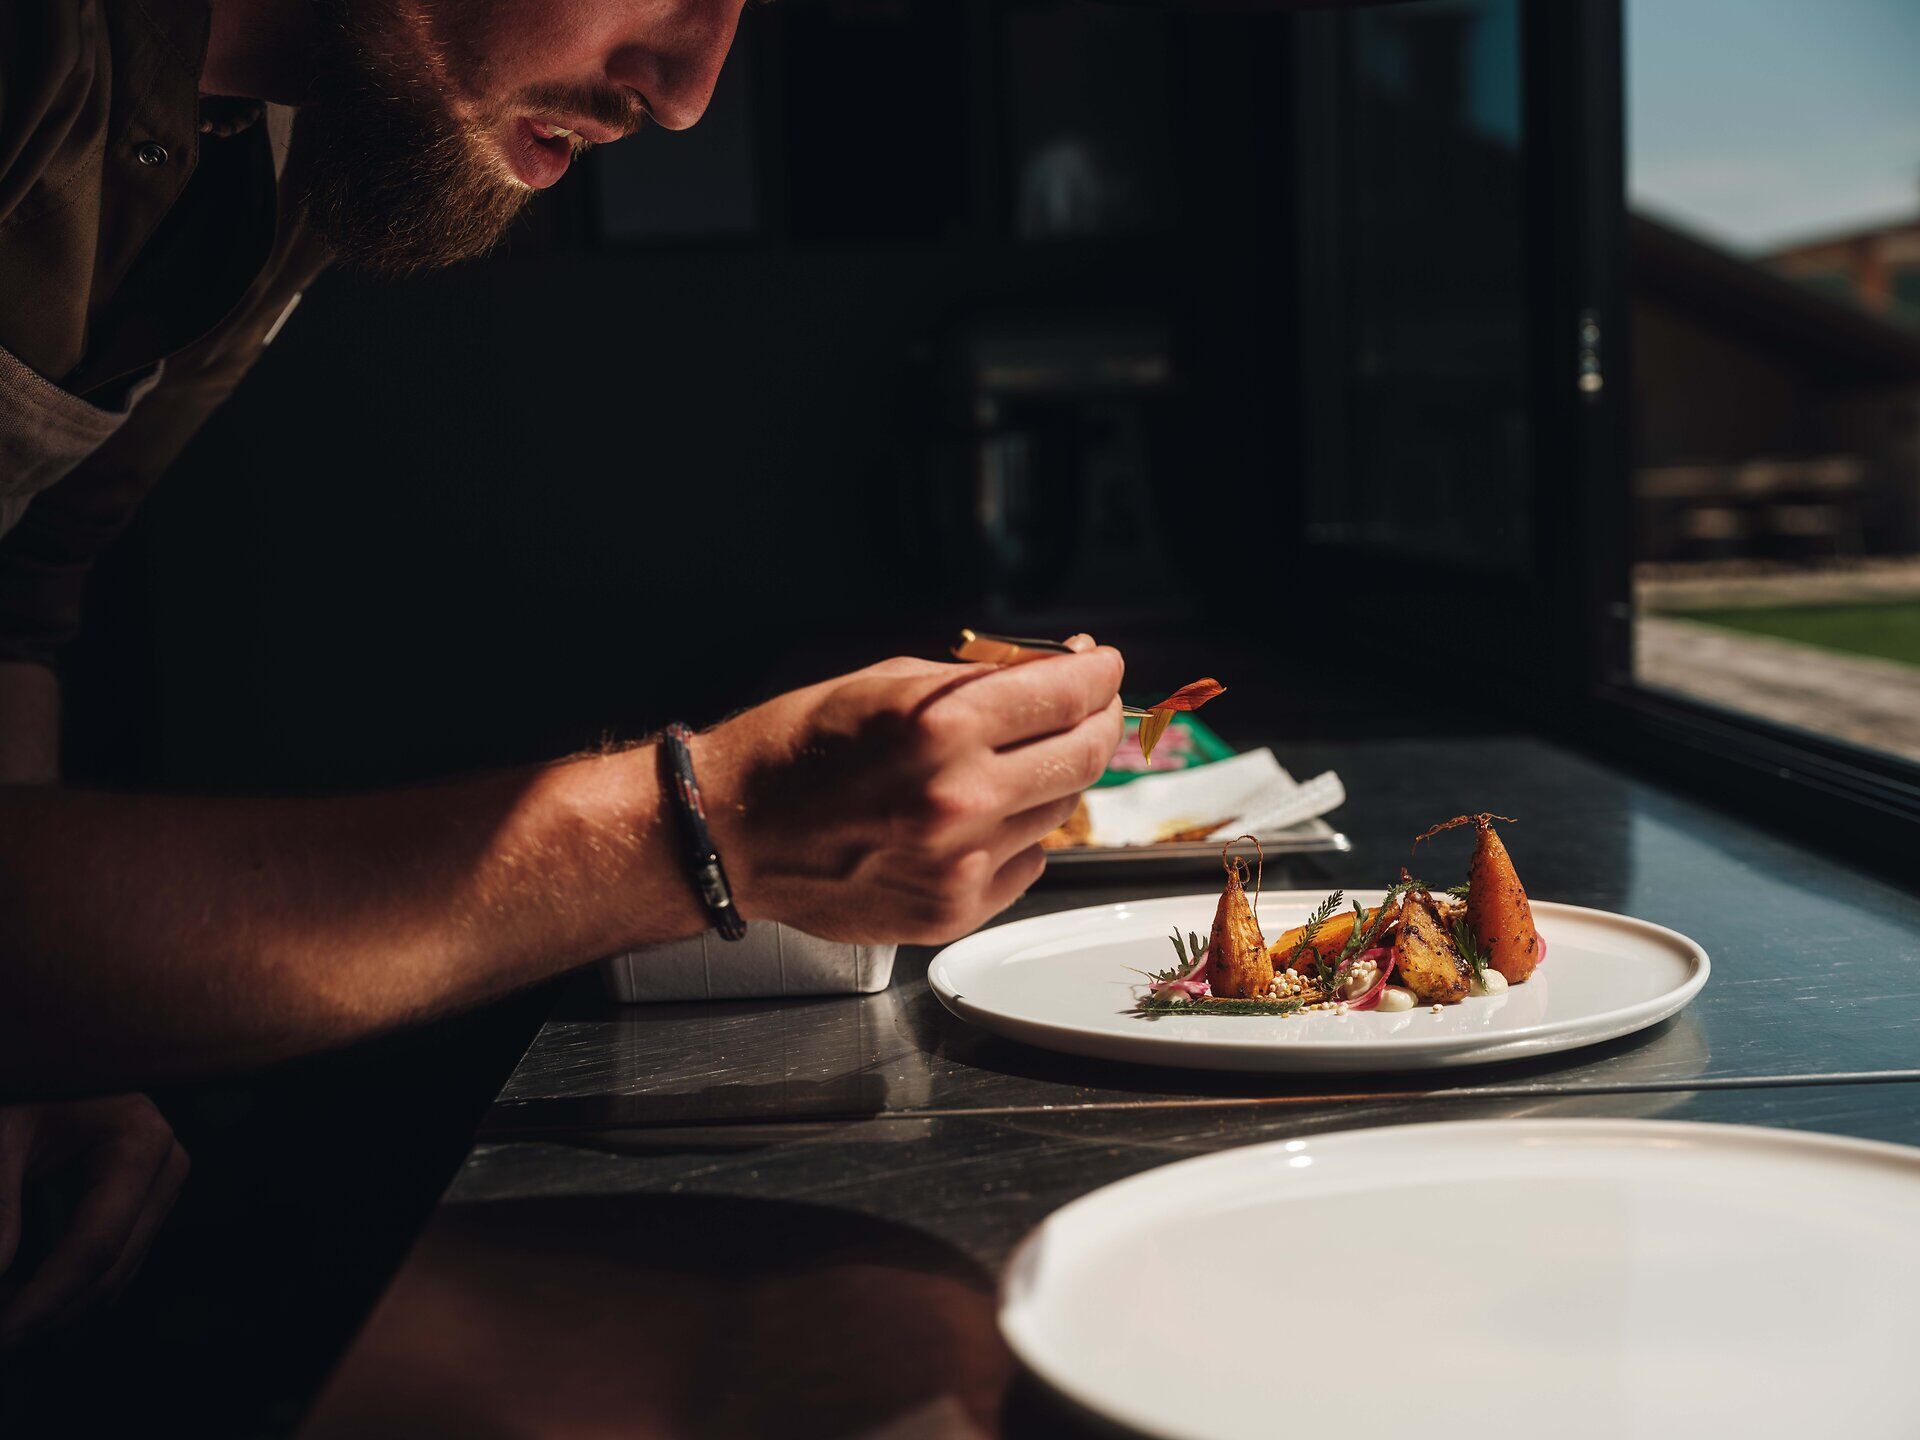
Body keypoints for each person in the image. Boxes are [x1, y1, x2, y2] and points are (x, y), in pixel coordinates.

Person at [0, 0, 1124, 1344]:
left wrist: (49, 1049)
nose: (693, 88)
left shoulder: (290, 150)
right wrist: (700, 825)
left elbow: (20, 599)